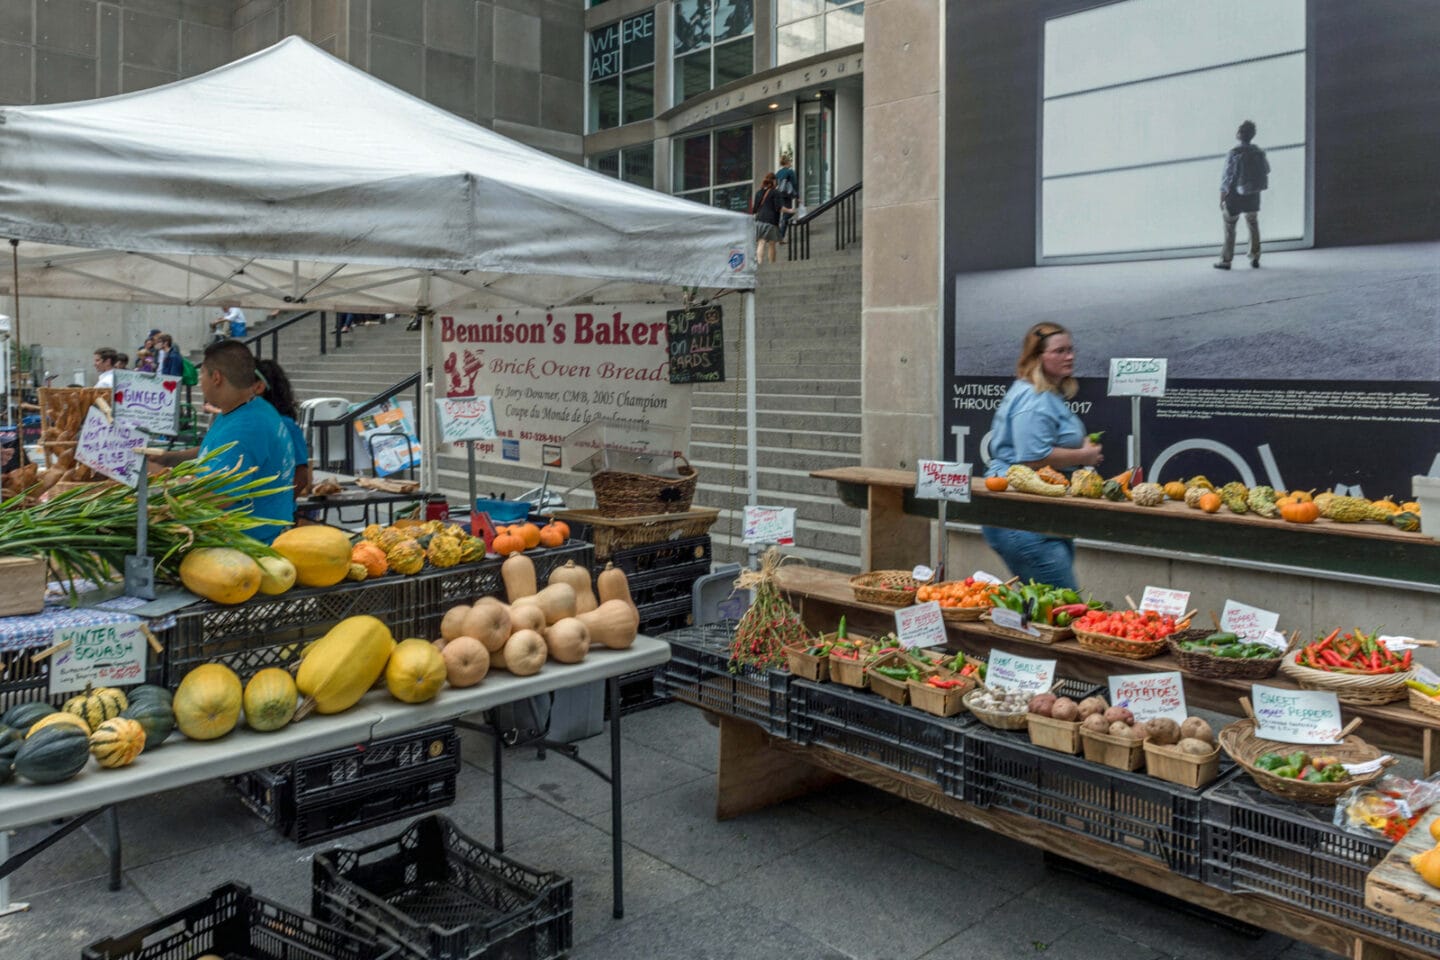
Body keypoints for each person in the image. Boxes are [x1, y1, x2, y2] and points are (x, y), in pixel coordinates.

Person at [981, 323, 1103, 590]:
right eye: (1059, 351)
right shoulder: (1033, 399)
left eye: (1071, 350)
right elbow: (1032, 457)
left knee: (1038, 612)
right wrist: (1084, 454)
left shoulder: (1043, 393)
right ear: (1037, 357)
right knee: (1063, 609)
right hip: (1023, 521)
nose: (1069, 356)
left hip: (1039, 520)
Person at [150, 340, 295, 543]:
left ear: (216, 377)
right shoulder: (252, 408)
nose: (200, 381)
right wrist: (169, 458)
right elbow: (218, 450)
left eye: (202, 374)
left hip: (246, 547)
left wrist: (152, 474)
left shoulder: (244, 428)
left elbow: (215, 496)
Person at [1214, 120, 1270, 270]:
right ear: (1252, 135)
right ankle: (1255, 256)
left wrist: (1222, 196)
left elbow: (1227, 177)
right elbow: (1267, 169)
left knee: (1230, 227)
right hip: (1253, 193)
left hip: (1235, 195)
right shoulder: (1258, 151)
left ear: (1239, 134)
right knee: (1252, 223)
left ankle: (1226, 261)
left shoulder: (1234, 153)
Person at [253, 358, 311, 497]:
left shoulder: (285, 426)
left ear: (259, 387)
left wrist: (281, 504)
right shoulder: (245, 423)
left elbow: (301, 476)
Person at [750, 172, 794, 265]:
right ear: (774, 181)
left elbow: (754, 209)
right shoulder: (775, 192)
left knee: (761, 243)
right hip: (771, 221)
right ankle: (771, 264)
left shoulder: (758, 193)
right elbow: (779, 208)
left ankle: (759, 263)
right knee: (771, 244)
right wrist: (790, 210)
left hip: (759, 220)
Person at [775, 153, 799, 239]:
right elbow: (794, 184)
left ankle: (780, 229)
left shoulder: (778, 173)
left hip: (779, 195)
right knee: (788, 213)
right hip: (787, 195)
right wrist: (798, 196)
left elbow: (775, 185)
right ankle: (781, 234)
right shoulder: (790, 172)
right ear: (787, 162)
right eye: (790, 161)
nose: (791, 163)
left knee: (786, 212)